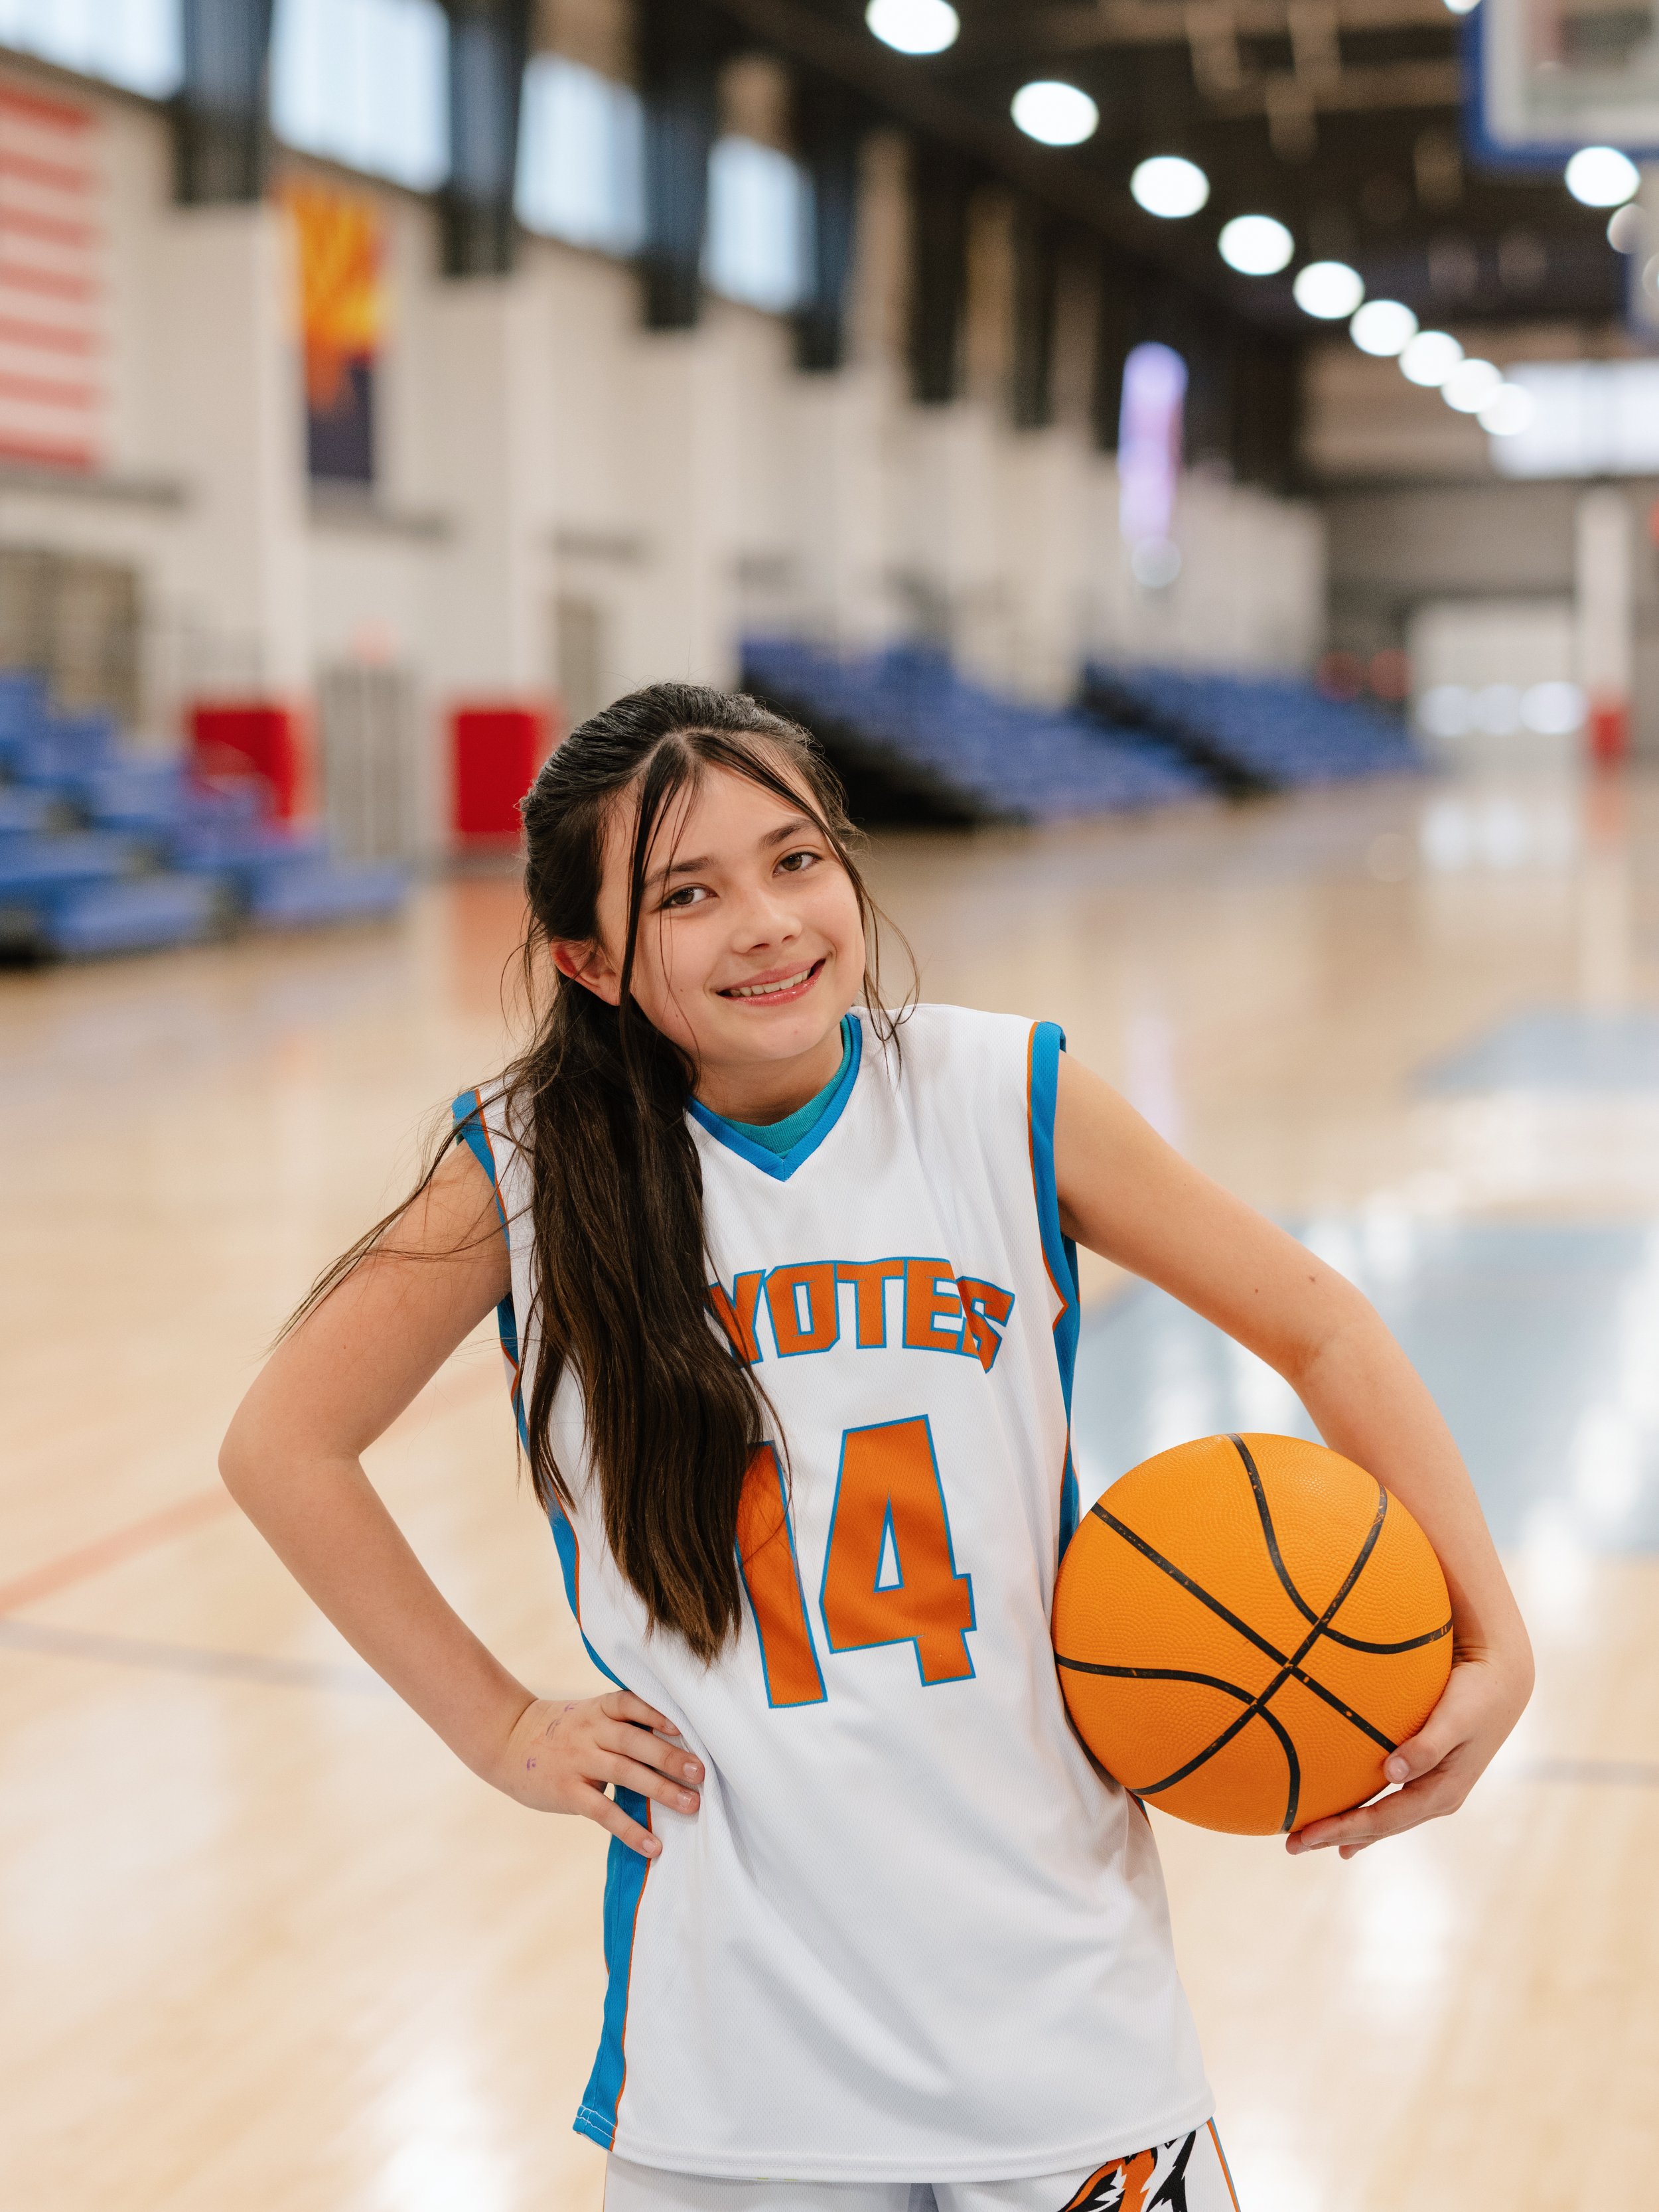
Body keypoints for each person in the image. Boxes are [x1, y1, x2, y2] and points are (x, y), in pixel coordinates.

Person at [220, 684, 1533, 2212]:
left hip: (1058, 2011)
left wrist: (1490, 1637)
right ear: (587, 959)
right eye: (685, 893)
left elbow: (1322, 1325)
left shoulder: (999, 1094)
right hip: (740, 2051)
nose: (766, 921)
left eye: (795, 860)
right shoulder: (519, 1169)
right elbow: (285, 1444)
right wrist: (502, 1728)